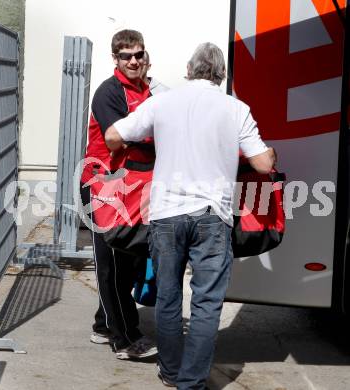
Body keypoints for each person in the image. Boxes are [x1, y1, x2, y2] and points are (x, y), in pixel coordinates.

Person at [105, 43, 276, 388]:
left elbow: (112, 136)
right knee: (207, 303)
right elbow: (262, 164)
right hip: (213, 216)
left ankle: (170, 372)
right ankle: (192, 382)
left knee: (168, 298)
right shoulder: (235, 108)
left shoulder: (162, 102)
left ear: (188, 69)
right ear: (222, 73)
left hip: (166, 214)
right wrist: (271, 153)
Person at [80, 29, 157, 359]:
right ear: (116, 59)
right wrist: (155, 134)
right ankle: (124, 337)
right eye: (127, 56)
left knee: (128, 263)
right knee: (111, 266)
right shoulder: (109, 92)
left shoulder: (147, 91)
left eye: (138, 54)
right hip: (103, 186)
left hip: (133, 188)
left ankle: (102, 324)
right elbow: (118, 138)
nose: (134, 60)